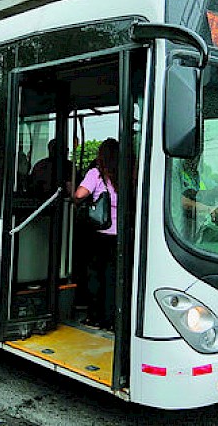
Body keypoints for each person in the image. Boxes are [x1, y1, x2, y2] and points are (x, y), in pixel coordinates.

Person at [73, 138, 118, 331]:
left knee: (95, 275)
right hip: (120, 234)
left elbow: (79, 194)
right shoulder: (125, 174)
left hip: (101, 232)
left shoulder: (96, 174)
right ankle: (111, 319)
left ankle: (95, 317)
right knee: (112, 277)